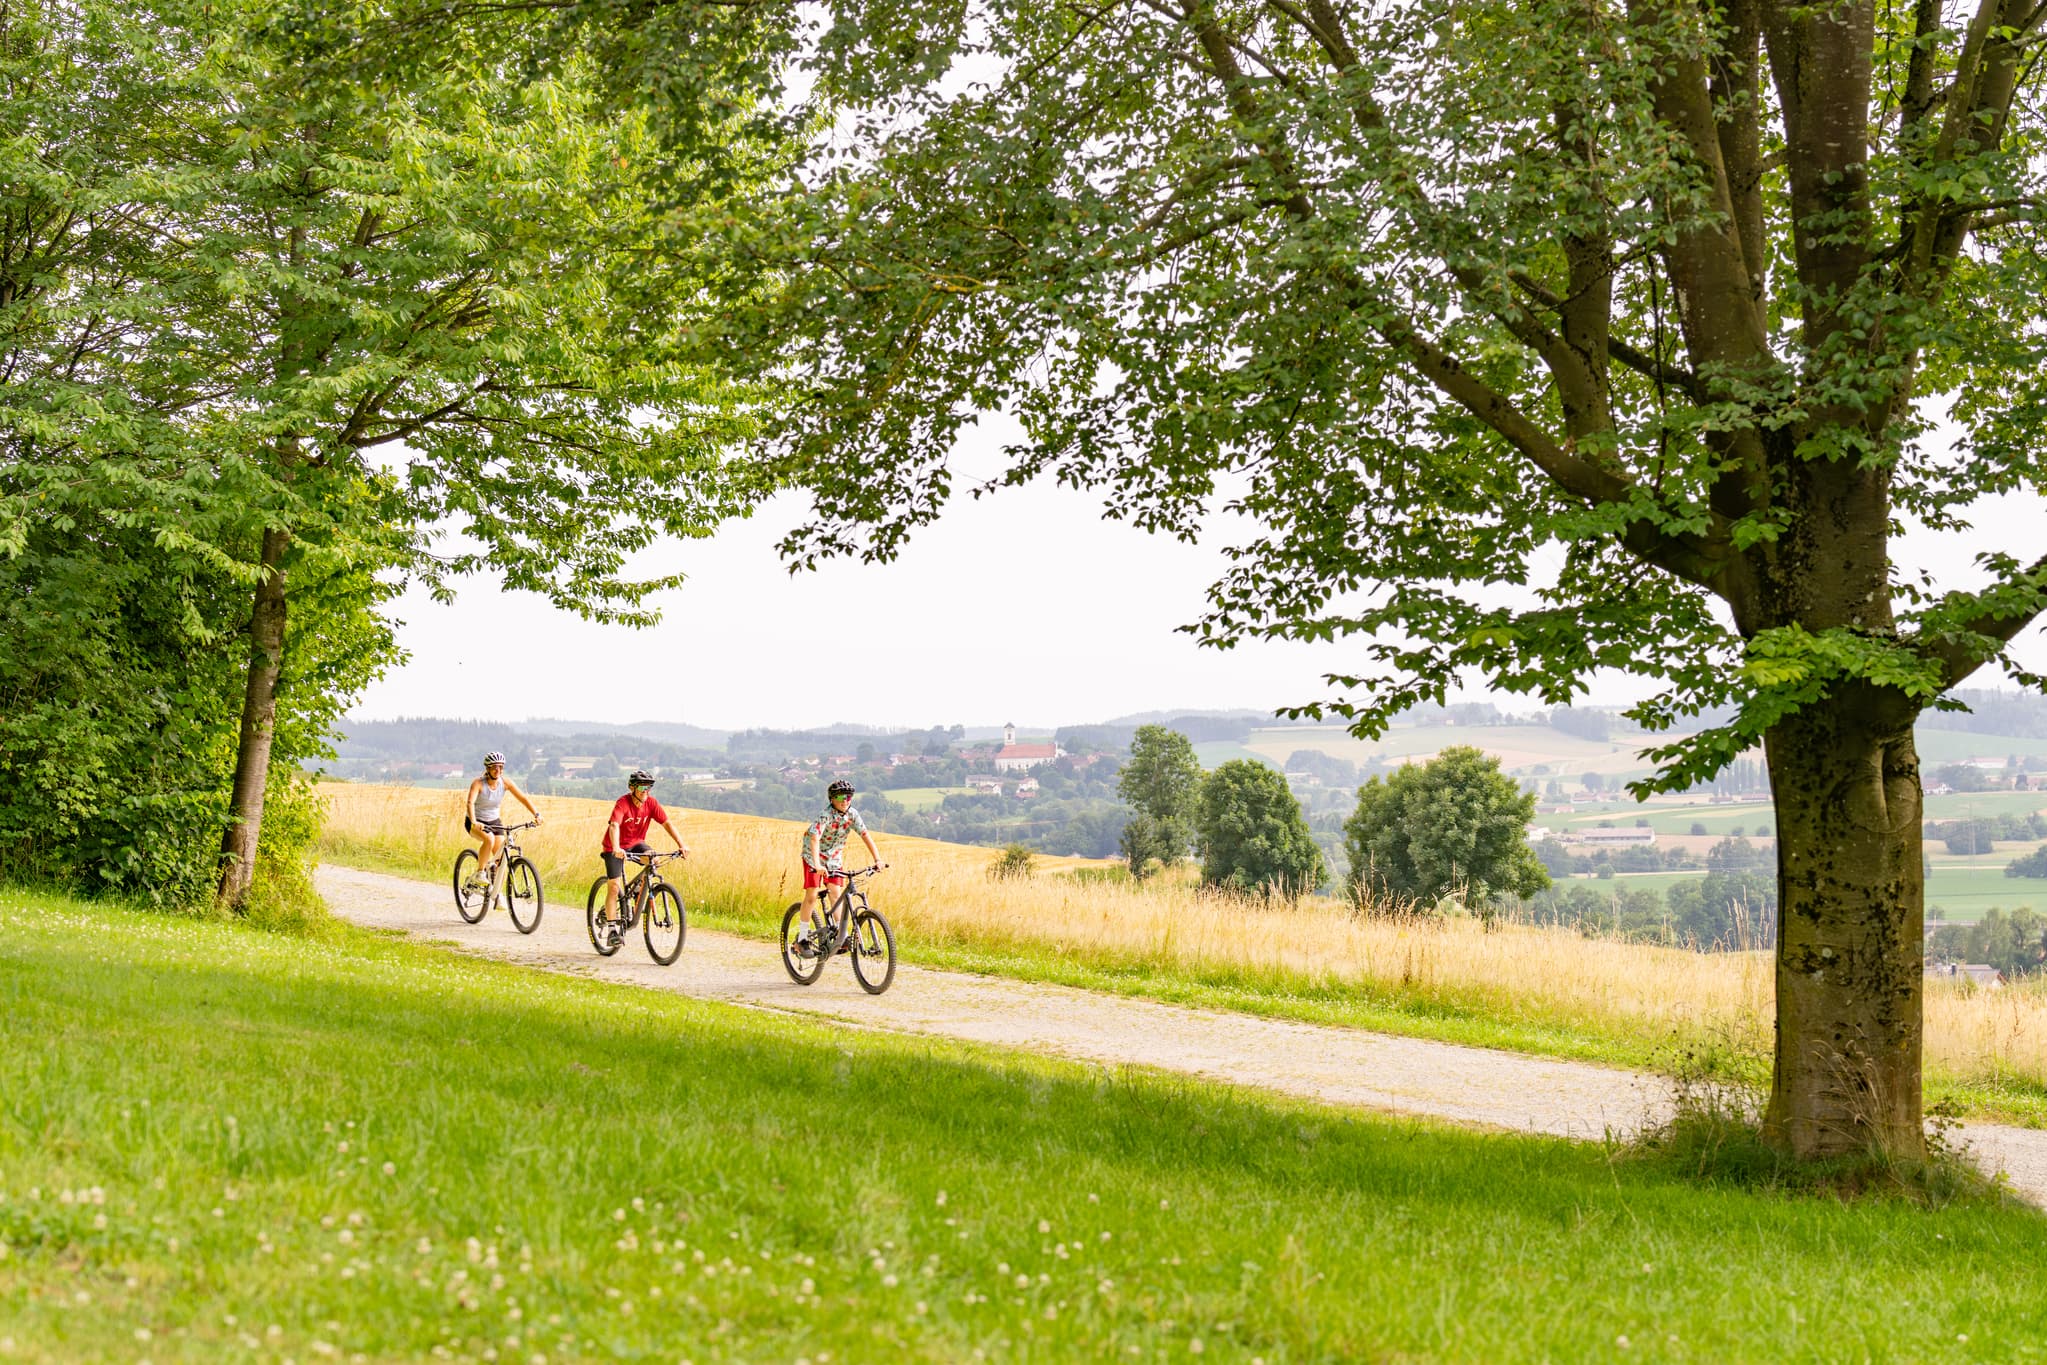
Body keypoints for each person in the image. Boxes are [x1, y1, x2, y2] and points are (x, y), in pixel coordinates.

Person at [796, 779, 884, 957]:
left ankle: (839, 934)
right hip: (814, 855)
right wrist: (818, 865)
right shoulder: (825, 815)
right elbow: (814, 839)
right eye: (841, 797)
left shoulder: (853, 815)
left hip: (834, 858)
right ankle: (802, 939)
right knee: (812, 895)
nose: (845, 800)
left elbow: (865, 835)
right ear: (832, 799)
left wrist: (878, 859)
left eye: (849, 796)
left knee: (836, 893)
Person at [597, 770, 689, 937]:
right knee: (614, 887)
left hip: (636, 843)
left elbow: (667, 824)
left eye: (649, 787)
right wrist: (617, 848)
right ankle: (612, 930)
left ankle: (639, 888)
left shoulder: (651, 803)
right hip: (614, 846)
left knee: (654, 860)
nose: (646, 791)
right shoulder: (623, 803)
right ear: (632, 788)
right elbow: (614, 826)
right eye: (642, 787)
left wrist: (682, 845)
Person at [464, 751, 539, 888]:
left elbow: (523, 798)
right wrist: (474, 822)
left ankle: (497, 893)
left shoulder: (505, 783)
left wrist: (536, 814)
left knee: (501, 860)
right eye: (494, 767)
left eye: (500, 767)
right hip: (476, 821)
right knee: (489, 839)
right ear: (487, 768)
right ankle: (480, 873)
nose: (497, 770)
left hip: (494, 822)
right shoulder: (478, 783)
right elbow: (470, 802)